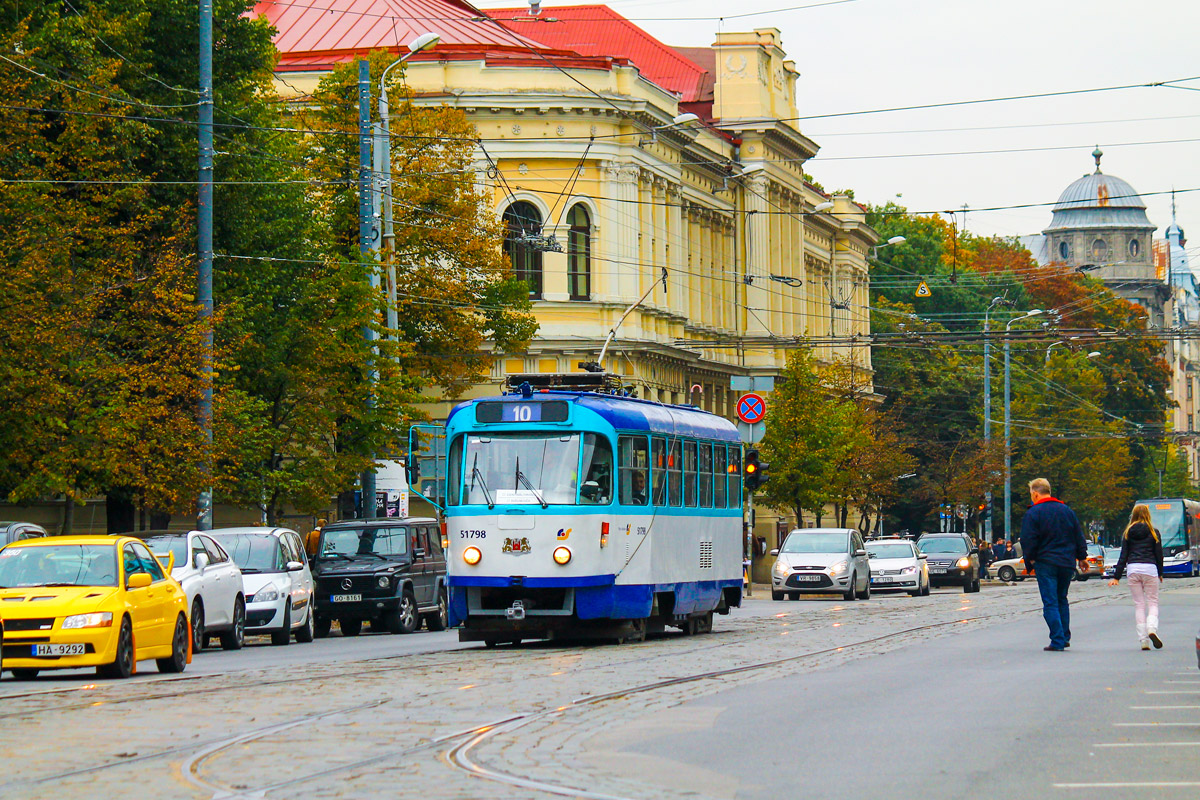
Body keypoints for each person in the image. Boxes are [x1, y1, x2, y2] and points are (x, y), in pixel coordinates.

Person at [1019, 478, 1088, 651]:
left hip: (1046, 562)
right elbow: (1078, 534)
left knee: (1050, 602)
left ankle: (1057, 640)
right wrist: (1082, 557)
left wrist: (1031, 559)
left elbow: (1028, 539)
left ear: (1035, 493)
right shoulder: (1067, 511)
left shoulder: (1034, 513)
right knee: (1062, 599)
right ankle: (1064, 636)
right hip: (1066, 562)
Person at [1108, 504, 1164, 650]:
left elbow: (1123, 555)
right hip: (1150, 568)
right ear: (1148, 514)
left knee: (1139, 604)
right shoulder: (1154, 532)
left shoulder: (1128, 532)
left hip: (1133, 568)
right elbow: (1159, 554)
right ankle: (1152, 628)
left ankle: (1143, 640)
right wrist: (1160, 572)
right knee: (1152, 602)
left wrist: (1117, 576)